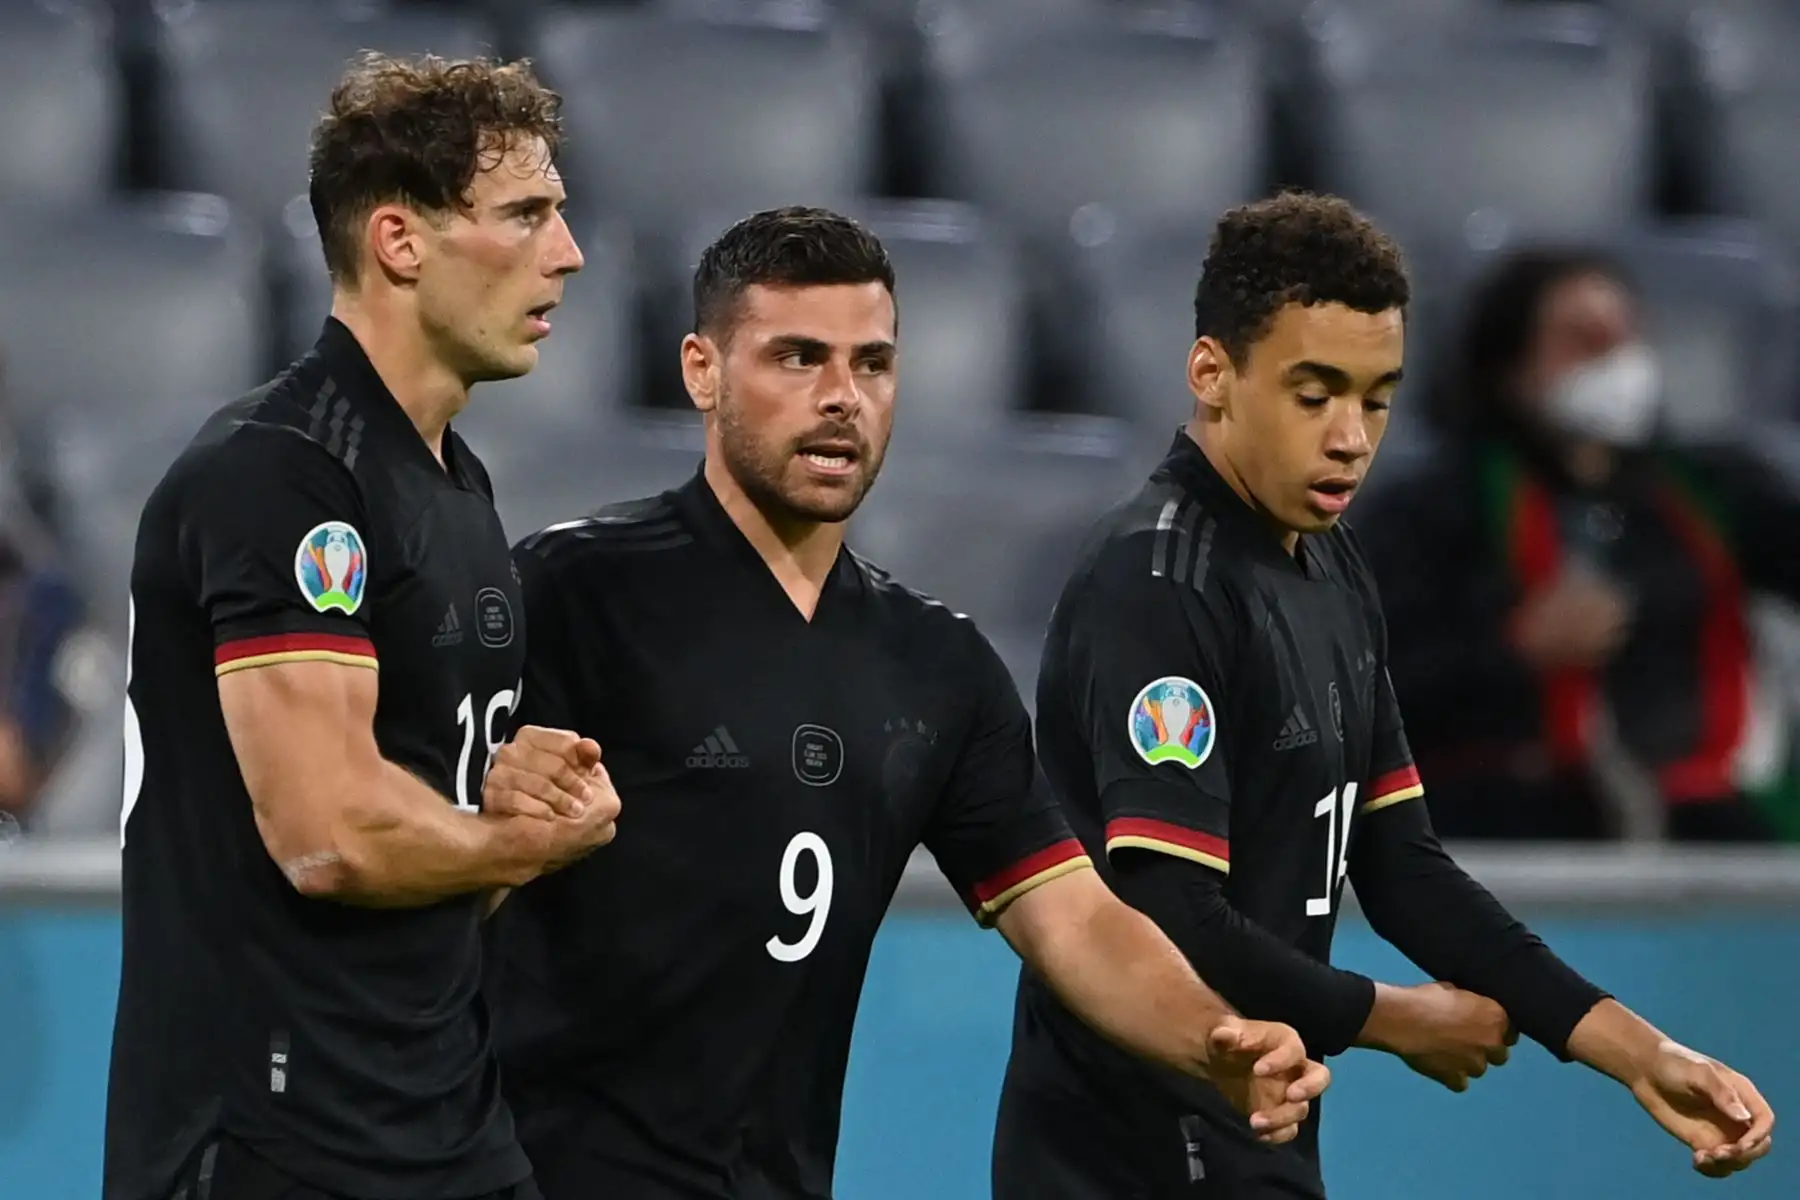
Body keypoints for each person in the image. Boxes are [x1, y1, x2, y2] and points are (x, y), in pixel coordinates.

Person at [484, 206, 1330, 1200]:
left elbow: (1074, 921)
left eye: (872, 364)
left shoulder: (937, 666)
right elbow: (408, 876)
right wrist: (498, 826)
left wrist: (1213, 1038)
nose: (841, 397)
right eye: (798, 358)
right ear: (702, 372)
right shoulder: (570, 592)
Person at [990, 193, 1776, 1199]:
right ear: (1212, 375)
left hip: (1261, 1141)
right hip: (1122, 1160)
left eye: (1376, 397)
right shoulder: (1158, 583)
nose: (1351, 437)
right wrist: (1391, 1018)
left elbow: (1402, 864)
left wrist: (1637, 1051)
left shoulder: (1335, 567)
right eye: (1314, 393)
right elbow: (1164, 909)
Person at [103, 54, 622, 1200]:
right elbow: (328, 832)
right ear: (399, 241)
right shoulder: (283, 473)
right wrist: (520, 845)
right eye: (525, 214)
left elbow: (428, 850)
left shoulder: (456, 485)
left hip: (443, 1125)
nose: (569, 253)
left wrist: (506, 802)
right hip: (274, 1140)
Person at [1359, 247, 1800, 843]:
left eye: (1626, 338)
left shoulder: (1713, 489)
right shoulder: (1430, 510)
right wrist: (1514, 649)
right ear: (1511, 368)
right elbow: (1366, 688)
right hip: (1509, 822)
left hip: (1710, 818)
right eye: (1583, 340)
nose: (1617, 362)